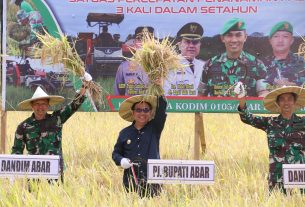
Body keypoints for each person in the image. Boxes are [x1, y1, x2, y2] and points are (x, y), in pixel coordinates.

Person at [11, 72, 92, 183]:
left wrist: (85, 85)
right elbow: (17, 151)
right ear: (32, 106)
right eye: (37, 104)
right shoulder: (23, 127)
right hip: (34, 173)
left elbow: (74, 105)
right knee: (34, 198)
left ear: (48, 105)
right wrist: (12, 171)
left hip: (55, 171)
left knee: (56, 199)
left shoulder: (57, 118)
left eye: (43, 103)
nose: (40, 107)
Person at [237, 84, 305, 194]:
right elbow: (247, 118)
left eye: (289, 99)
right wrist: (241, 99)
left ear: (294, 102)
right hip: (277, 177)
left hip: (298, 176)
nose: (286, 103)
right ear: (278, 103)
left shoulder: (302, 123)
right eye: (282, 100)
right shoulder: (270, 123)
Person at [112, 84, 167, 197]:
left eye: (146, 110)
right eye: (138, 110)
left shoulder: (155, 128)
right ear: (133, 113)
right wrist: (121, 160)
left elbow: (162, 108)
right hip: (130, 182)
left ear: (151, 113)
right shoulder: (124, 133)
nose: (142, 113)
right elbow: (116, 153)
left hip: (153, 181)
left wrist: (158, 86)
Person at [202, 18, 268, 97]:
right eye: (229, 35)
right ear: (223, 38)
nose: (234, 40)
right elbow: (201, 95)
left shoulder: (257, 65)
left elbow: (263, 93)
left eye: (238, 35)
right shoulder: (210, 64)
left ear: (245, 37)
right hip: (218, 109)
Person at [163, 22, 205, 96]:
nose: (191, 46)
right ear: (179, 45)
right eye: (187, 42)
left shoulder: (204, 66)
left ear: (199, 45)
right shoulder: (169, 65)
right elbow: (166, 94)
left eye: (195, 42)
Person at [262, 21, 305, 90]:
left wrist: (292, 86)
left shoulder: (302, 63)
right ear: (270, 41)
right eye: (276, 36)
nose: (280, 40)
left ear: (291, 40)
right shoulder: (261, 64)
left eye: (285, 36)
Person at [114, 26, 154, 96]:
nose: (143, 42)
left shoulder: (160, 66)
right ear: (134, 41)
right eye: (139, 38)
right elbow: (118, 94)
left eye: (148, 39)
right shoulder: (124, 67)